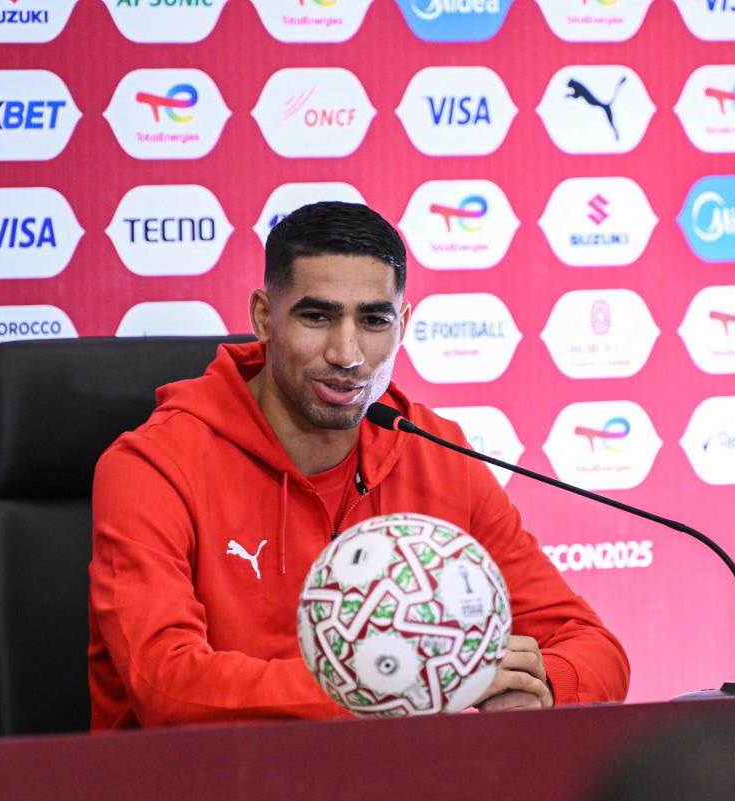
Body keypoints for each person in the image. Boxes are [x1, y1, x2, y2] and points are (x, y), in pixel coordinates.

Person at [88, 201, 629, 728]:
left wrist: (540, 690)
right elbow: (169, 685)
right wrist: (413, 686)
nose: (347, 354)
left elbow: (591, 646)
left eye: (373, 320)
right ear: (263, 318)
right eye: (317, 316)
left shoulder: (440, 454)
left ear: (404, 323)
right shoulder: (152, 465)